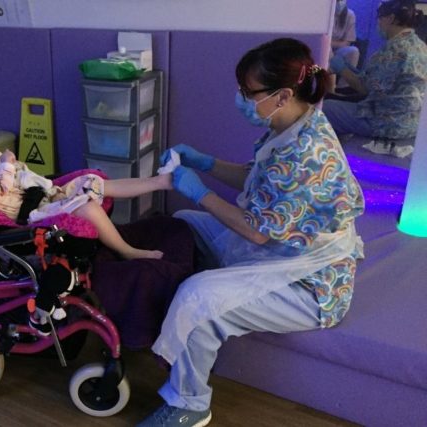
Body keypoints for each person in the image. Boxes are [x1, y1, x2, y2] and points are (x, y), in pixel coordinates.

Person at [137, 38, 364, 427]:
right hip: (277, 245)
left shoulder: (308, 154)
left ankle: (189, 405)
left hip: (308, 282)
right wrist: (205, 162)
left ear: (282, 95)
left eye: (248, 92)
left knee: (199, 300)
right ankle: (170, 314)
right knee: (187, 222)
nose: (240, 99)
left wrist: (199, 188)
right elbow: (255, 176)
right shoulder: (291, 123)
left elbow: (258, 232)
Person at [0, 104, 171, 261]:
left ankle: (158, 182)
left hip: (42, 194)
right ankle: (127, 251)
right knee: (88, 206)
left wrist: (12, 168)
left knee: (93, 180)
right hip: (30, 216)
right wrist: (6, 167)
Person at [324, 0, 427, 158]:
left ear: (390, 18)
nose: (378, 23)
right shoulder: (420, 46)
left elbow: (364, 87)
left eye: (380, 18)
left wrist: (340, 67)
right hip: (412, 122)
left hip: (387, 122)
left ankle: (330, 157)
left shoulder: (394, 50)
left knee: (325, 108)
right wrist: (349, 68)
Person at [330, 0, 360, 91]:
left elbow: (347, 42)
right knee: (327, 51)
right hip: (324, 49)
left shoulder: (350, 15)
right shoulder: (324, 13)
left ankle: (343, 87)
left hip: (339, 50)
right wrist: (328, 44)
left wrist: (330, 42)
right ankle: (330, 89)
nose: (339, 3)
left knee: (353, 51)